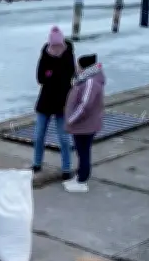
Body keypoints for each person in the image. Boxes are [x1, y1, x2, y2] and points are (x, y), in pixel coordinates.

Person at [32, 26, 76, 179]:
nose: (55, 49)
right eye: (53, 45)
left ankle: (66, 168)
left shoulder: (68, 54)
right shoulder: (45, 54)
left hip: (63, 101)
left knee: (64, 138)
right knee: (38, 135)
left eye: (58, 45)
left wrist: (52, 73)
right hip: (46, 100)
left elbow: (69, 75)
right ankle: (36, 163)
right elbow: (40, 77)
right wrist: (52, 74)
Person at [64, 54, 106, 193]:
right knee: (81, 152)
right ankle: (79, 176)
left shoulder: (90, 82)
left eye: (78, 65)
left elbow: (85, 105)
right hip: (84, 124)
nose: (76, 67)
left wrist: (71, 119)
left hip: (85, 125)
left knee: (83, 152)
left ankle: (82, 181)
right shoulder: (86, 79)